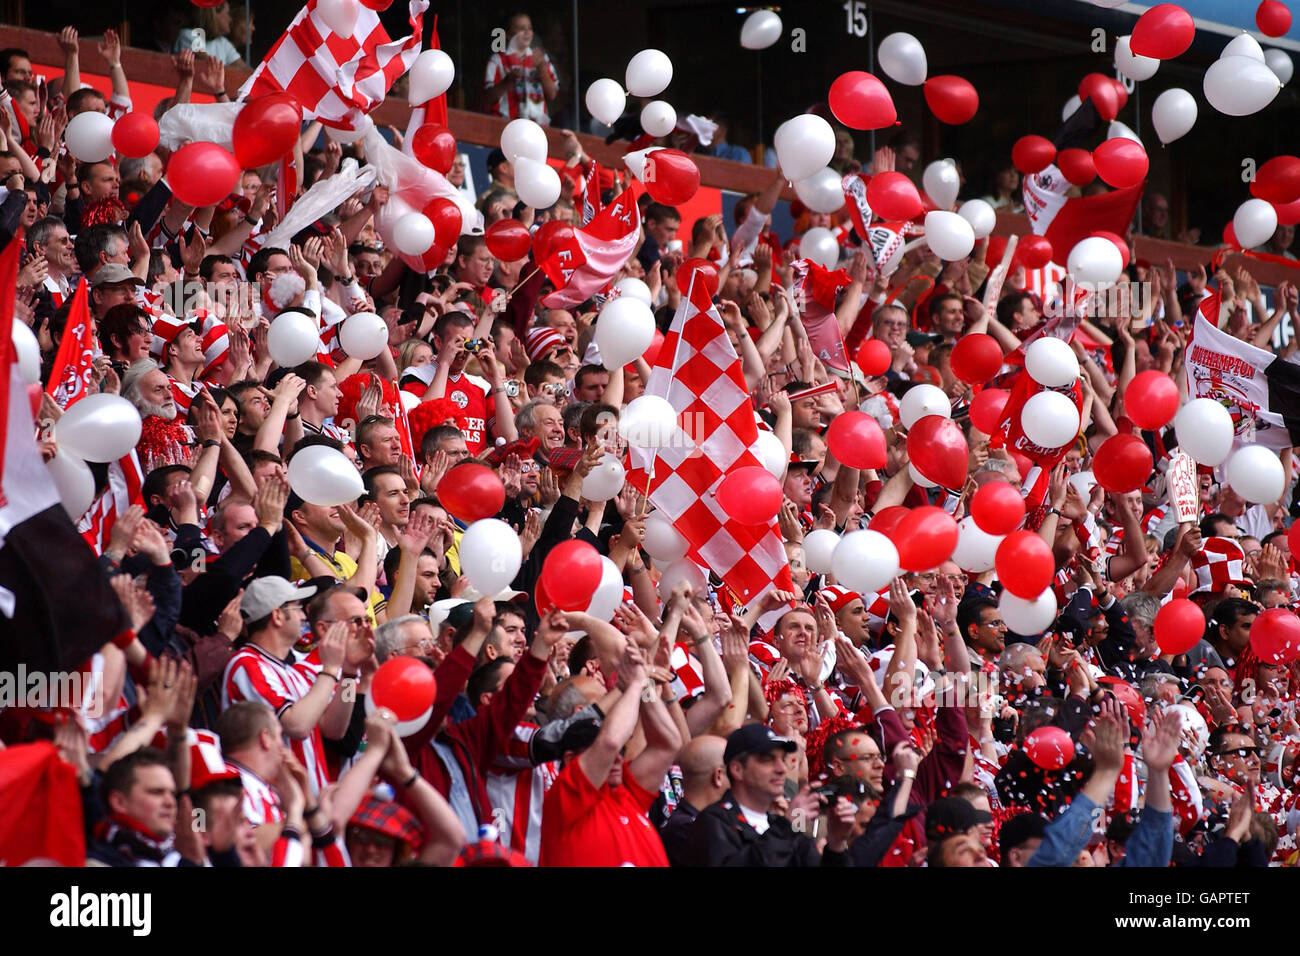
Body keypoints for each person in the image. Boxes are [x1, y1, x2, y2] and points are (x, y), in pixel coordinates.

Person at [683, 722, 855, 866]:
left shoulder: (780, 822)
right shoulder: (713, 822)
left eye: (782, 759)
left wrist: (836, 845)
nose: (781, 769)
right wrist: (787, 826)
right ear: (738, 770)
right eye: (767, 760)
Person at [483, 12, 559, 126]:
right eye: (521, 28)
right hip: (506, 127)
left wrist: (541, 68)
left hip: (537, 129)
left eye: (530, 28)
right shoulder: (498, 60)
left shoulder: (541, 58)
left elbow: (552, 95)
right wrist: (508, 81)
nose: (527, 32)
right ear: (508, 35)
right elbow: (487, 99)